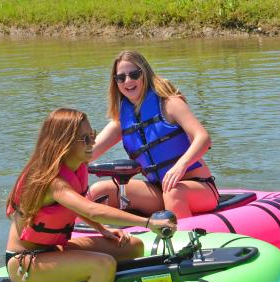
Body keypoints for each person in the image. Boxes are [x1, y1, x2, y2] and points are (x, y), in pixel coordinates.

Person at [5, 108, 177, 282]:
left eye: (92, 135)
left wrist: (102, 229)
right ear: (65, 143)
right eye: (85, 139)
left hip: (54, 250)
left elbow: (73, 209)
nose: (93, 142)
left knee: (133, 247)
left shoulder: (77, 169)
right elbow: (91, 210)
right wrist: (148, 222)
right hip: (25, 261)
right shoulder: (52, 181)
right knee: (103, 265)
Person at [88, 50, 219, 218]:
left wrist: (180, 166)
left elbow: (203, 138)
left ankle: (182, 239)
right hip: (158, 191)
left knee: (173, 192)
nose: (128, 81)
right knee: (98, 191)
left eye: (134, 74)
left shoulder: (170, 104)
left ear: (145, 74)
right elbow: (89, 153)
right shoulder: (122, 121)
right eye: (121, 78)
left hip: (197, 187)